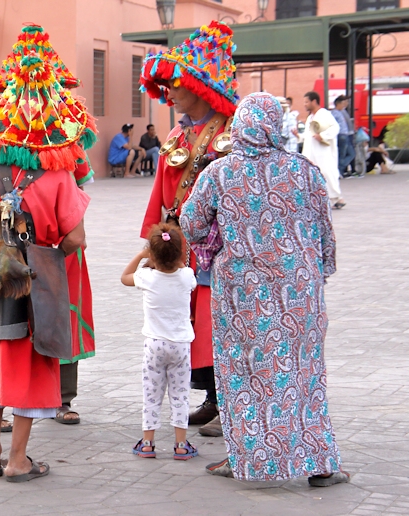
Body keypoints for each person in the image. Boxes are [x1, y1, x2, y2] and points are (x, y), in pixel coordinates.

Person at [0, 40, 94, 481]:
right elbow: (76, 237)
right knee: (32, 360)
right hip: (40, 278)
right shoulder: (59, 172)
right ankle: (18, 461)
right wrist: (43, 247)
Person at [180, 92, 348, 487]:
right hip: (300, 294)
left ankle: (246, 459)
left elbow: (190, 226)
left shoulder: (219, 174)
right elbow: (325, 234)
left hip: (241, 296)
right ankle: (321, 465)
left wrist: (217, 242)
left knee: (244, 375)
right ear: (275, 125)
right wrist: (318, 272)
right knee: (304, 374)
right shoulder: (304, 171)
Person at [138, 20, 240, 438]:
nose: (169, 93)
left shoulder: (232, 133)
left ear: (199, 85)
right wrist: (152, 235)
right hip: (181, 243)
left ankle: (229, 403)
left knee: (217, 323)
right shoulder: (179, 132)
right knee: (186, 323)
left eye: (176, 85)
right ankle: (211, 398)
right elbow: (162, 190)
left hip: (218, 245)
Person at [121, 223, 198, 461]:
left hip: (154, 345)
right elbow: (183, 270)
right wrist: (175, 257)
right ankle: (181, 444)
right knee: (180, 395)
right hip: (180, 346)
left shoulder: (146, 277)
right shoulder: (187, 277)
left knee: (151, 394)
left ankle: (147, 443)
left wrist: (143, 255)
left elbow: (124, 277)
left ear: (152, 254)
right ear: (179, 254)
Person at [302, 91, 345, 209]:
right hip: (311, 152)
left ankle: (337, 197)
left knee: (327, 173)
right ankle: (319, 200)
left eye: (306, 102)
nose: (304, 104)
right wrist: (298, 136)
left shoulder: (324, 114)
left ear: (314, 101)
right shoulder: (310, 118)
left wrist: (323, 136)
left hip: (324, 152)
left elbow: (335, 127)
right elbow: (307, 135)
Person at [332, 96, 355, 177]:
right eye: (342, 103)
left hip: (344, 135)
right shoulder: (335, 113)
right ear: (338, 104)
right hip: (341, 135)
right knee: (342, 154)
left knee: (350, 154)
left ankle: (339, 170)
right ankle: (339, 170)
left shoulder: (341, 112)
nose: (344, 105)